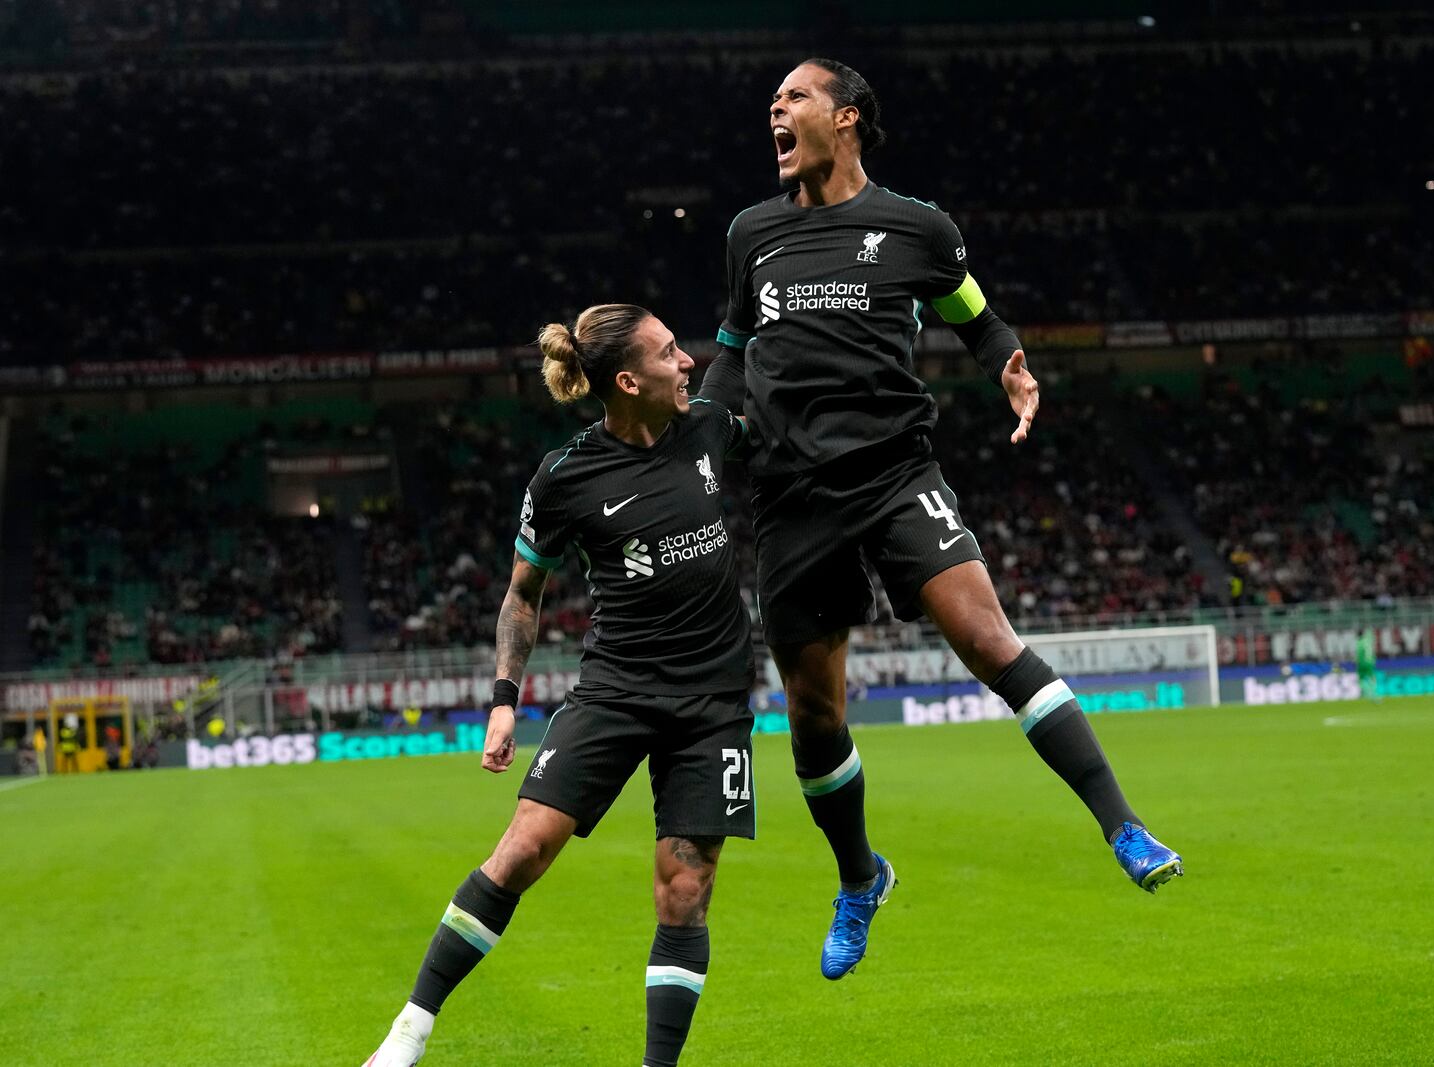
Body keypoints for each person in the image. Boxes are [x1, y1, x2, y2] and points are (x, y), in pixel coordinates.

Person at [698, 57, 1183, 981]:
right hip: (792, 495)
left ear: (845, 119)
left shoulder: (918, 229)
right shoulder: (750, 233)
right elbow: (729, 351)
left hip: (893, 473)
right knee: (812, 711)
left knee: (991, 640)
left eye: (793, 96)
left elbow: (976, 315)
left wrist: (1009, 359)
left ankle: (1123, 824)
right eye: (774, 101)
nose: (776, 107)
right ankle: (859, 876)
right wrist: (705, 437)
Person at [365, 305, 756, 1067]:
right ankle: (407, 1033)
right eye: (671, 353)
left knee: (685, 890)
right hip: (616, 690)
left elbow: (779, 410)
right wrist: (504, 701)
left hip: (711, 706)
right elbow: (522, 592)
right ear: (627, 379)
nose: (688, 364)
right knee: (520, 852)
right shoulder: (567, 476)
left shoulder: (710, 429)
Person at [1356, 628, 1379, 700]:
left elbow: (1359, 654)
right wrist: (1373, 660)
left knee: (1361, 678)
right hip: (1370, 662)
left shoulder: (1359, 642)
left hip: (1362, 663)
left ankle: (1365, 693)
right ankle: (1374, 693)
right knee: (1372, 677)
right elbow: (1372, 652)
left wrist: (1357, 661)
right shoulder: (1368, 641)